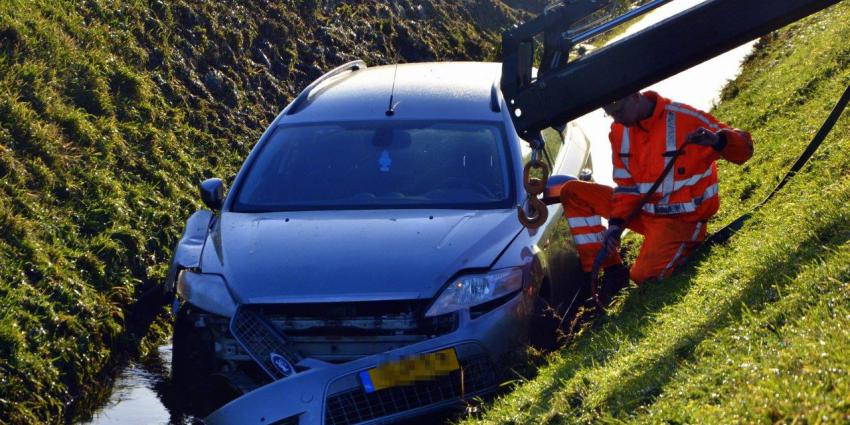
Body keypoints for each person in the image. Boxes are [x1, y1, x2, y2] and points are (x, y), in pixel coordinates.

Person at [559, 91, 754, 302]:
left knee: (642, 275)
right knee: (572, 192)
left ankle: (682, 246)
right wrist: (615, 225)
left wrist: (718, 141)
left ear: (634, 96)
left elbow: (744, 152)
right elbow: (627, 186)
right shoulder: (619, 131)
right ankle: (611, 272)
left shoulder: (685, 119)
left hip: (681, 223)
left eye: (619, 111)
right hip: (643, 213)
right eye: (611, 115)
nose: (618, 119)